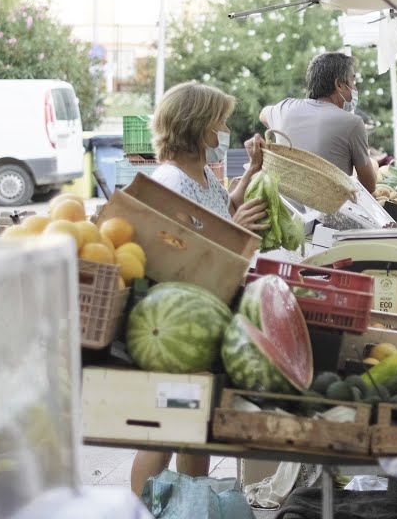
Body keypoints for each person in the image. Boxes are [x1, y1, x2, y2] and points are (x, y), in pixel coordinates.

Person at [131, 81, 269, 495]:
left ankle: (194, 503)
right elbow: (178, 256)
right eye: (220, 122)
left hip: (206, 314)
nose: (224, 130)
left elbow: (219, 210)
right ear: (198, 126)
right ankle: (138, 508)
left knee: (196, 429)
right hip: (178, 321)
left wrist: (251, 174)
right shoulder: (169, 182)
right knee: (165, 432)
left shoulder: (203, 173)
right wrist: (235, 233)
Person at [260, 52, 378, 193]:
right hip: (329, 211)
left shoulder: (284, 108)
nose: (354, 88)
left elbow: (263, 114)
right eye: (353, 81)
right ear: (339, 84)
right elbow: (369, 186)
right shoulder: (352, 123)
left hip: (287, 209)